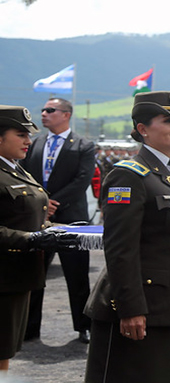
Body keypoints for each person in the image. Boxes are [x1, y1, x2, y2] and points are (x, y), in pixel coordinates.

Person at [83, 91, 170, 383]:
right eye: (169, 120)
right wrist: (131, 309)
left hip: (169, 307)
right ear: (142, 129)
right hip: (136, 308)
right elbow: (120, 249)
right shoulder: (128, 176)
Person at [0, 105, 78, 371]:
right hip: (3, 277)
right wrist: (31, 238)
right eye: (20, 134)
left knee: (6, 350)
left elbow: (26, 216)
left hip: (16, 278)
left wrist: (57, 228)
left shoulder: (15, 168)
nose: (28, 141)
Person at [20, 98, 95, 343]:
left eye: (50, 110)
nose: (43, 113)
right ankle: (29, 328)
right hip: (38, 219)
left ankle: (83, 326)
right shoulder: (35, 143)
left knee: (77, 275)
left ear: (66, 115)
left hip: (71, 219)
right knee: (34, 275)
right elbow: (25, 175)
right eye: (42, 109)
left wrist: (52, 202)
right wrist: (41, 203)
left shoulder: (83, 145)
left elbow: (82, 181)